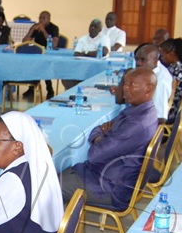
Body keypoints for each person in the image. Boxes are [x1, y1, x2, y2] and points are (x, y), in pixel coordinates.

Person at [60, 67, 158, 209]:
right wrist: (101, 135)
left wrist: (97, 137)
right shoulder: (141, 110)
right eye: (125, 83)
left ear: (148, 89)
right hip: (106, 173)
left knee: (46, 189)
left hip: (109, 186)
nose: (125, 89)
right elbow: (104, 127)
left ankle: (53, 229)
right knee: (51, 175)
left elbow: (95, 154)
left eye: (132, 85)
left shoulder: (137, 124)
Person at [117, 43, 170, 123]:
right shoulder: (149, 73)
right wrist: (125, 76)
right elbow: (120, 100)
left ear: (155, 60)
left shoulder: (159, 81)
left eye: (143, 60)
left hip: (142, 126)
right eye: (137, 59)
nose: (138, 63)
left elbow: (160, 118)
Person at [21, 10, 59, 100]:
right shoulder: (35, 27)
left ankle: (50, 90)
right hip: (36, 53)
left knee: (44, 66)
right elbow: (24, 42)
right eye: (40, 18)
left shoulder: (54, 28)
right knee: (32, 64)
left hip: (49, 53)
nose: (41, 20)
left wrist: (43, 30)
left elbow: (54, 44)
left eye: (44, 18)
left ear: (49, 19)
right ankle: (32, 87)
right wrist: (31, 31)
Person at [158, 37, 182, 123]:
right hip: (178, 107)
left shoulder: (175, 71)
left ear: (171, 54)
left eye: (163, 55)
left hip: (170, 111)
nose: (161, 58)